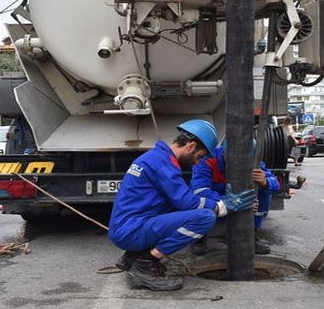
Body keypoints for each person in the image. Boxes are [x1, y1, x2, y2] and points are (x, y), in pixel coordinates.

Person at [108, 119, 257, 292]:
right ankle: (145, 264)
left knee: (182, 209)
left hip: (130, 226)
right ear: (190, 146)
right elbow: (187, 202)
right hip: (130, 230)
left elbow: (182, 200)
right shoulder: (162, 163)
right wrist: (223, 206)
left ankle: (133, 256)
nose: (196, 162)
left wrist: (218, 201)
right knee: (204, 218)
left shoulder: (158, 158)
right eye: (199, 157)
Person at [189, 139, 281, 255]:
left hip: (241, 202)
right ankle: (199, 237)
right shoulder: (208, 160)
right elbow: (199, 191)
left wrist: (265, 182)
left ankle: (250, 234)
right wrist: (230, 201)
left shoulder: (253, 161)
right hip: (219, 203)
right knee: (200, 201)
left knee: (264, 191)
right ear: (224, 154)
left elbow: (275, 184)